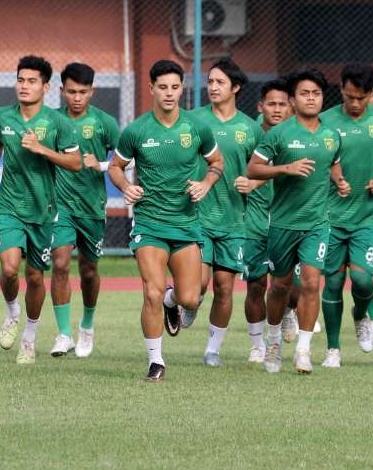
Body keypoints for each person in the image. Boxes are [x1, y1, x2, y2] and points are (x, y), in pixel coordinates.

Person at [108, 60, 223, 381]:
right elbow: (116, 166)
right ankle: (155, 361)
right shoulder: (137, 130)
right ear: (152, 89)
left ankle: (174, 302)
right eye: (163, 87)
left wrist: (206, 183)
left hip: (186, 224)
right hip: (149, 223)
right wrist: (126, 186)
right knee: (151, 293)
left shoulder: (195, 128)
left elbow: (216, 162)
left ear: (182, 89)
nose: (169, 93)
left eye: (174, 87)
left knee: (190, 297)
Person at [247, 69, 348, 374]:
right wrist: (285, 169)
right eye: (304, 93)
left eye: (316, 93)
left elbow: (333, 164)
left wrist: (340, 182)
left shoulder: (332, 135)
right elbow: (253, 170)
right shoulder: (277, 134)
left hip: (317, 223)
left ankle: (303, 350)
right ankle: (274, 341)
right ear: (292, 100)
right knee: (279, 286)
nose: (311, 98)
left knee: (311, 282)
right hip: (281, 223)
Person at [0, 56, 82, 364]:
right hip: (8, 206)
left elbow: (76, 162)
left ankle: (29, 338)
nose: (24, 86)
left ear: (45, 87)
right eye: (20, 80)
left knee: (34, 277)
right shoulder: (2, 116)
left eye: (31, 81)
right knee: (8, 267)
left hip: (44, 211)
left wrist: (42, 149)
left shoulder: (58, 123)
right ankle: (12, 312)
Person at [318, 64, 373, 368]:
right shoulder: (325, 121)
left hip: (367, 215)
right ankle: (333, 349)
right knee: (332, 282)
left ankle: (361, 316)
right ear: (340, 89)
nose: (355, 103)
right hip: (330, 216)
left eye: (361, 97)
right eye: (349, 96)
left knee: (362, 280)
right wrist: (336, 177)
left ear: (371, 94)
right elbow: (322, 157)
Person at [187, 58, 261, 367]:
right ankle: (188, 301)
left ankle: (212, 350)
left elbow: (262, 169)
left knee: (225, 286)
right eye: (210, 82)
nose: (213, 87)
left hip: (235, 221)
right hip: (199, 216)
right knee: (199, 284)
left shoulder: (249, 128)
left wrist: (253, 182)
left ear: (236, 87)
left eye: (220, 83)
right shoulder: (193, 121)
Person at [49, 62, 120, 358]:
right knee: (61, 263)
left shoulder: (105, 123)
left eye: (83, 92)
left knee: (89, 271)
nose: (77, 97)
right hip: (59, 206)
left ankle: (86, 326)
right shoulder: (51, 120)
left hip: (92, 207)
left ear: (93, 91)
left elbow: (126, 159)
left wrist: (101, 165)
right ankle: (64, 334)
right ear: (62, 90)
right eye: (71, 91)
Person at [242, 79, 292, 364]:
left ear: (290, 106)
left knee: (292, 289)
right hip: (256, 223)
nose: (276, 109)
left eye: (281, 104)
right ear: (260, 107)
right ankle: (256, 344)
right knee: (256, 284)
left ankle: (288, 311)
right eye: (270, 104)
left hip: (291, 222)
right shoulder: (250, 136)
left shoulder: (300, 136)